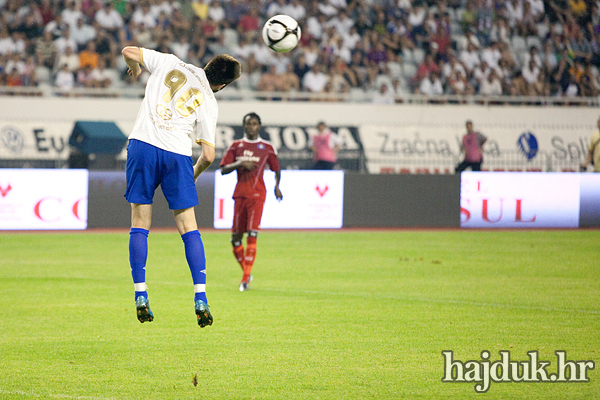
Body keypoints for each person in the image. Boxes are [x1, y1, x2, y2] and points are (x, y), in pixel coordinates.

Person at [121, 45, 241, 327]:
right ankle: (200, 297)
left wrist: (137, 68)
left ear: (208, 64)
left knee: (140, 221)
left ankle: (141, 292)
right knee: (189, 228)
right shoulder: (210, 101)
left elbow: (128, 50)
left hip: (143, 146)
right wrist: (193, 174)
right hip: (177, 156)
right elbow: (209, 156)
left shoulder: (169, 61)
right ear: (222, 84)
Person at [219, 112, 282, 291]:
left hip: (257, 195)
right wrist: (240, 163)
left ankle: (245, 279)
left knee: (252, 234)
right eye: (248, 123)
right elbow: (223, 169)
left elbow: (276, 169)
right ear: (244, 126)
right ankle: (247, 272)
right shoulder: (236, 146)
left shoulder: (267, 147)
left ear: (259, 126)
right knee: (236, 240)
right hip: (240, 195)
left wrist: (277, 186)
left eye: (254, 123)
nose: (251, 126)